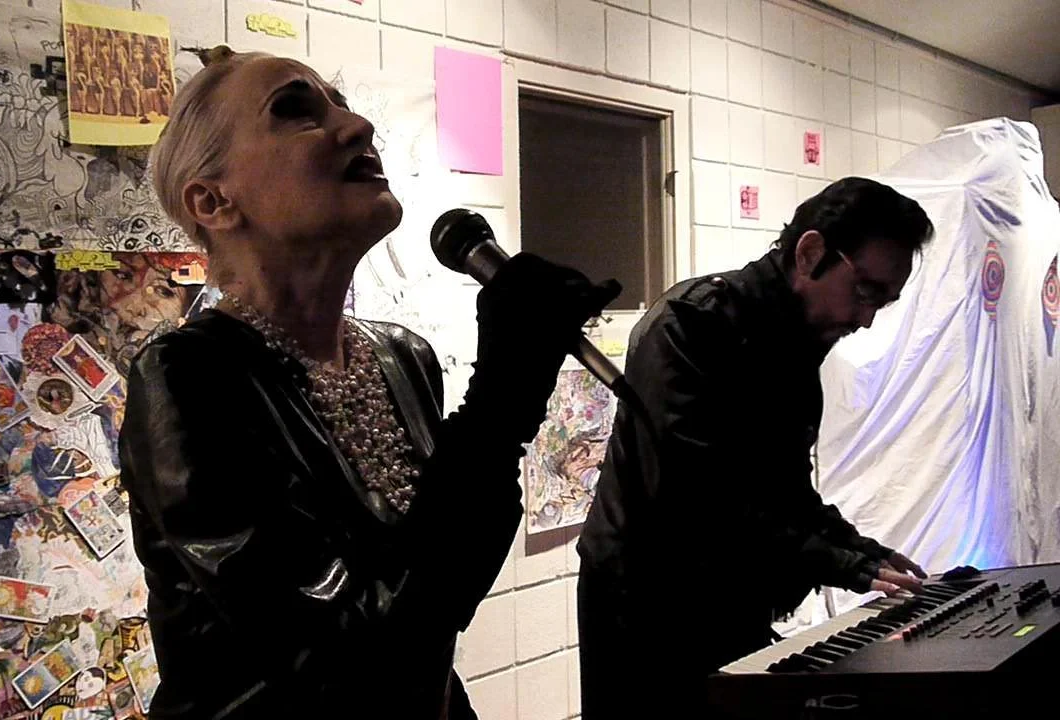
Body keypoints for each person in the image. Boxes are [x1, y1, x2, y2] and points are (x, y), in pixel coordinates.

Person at [118, 45, 621, 719]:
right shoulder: (189, 376)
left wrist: (507, 405)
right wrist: (500, 403)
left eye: (344, 105)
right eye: (294, 110)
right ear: (213, 201)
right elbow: (346, 653)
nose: (357, 127)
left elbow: (448, 586)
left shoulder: (401, 356)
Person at [576, 177, 935, 717]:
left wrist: (865, 553)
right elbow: (697, 499)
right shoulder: (691, 324)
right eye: (865, 291)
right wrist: (844, 564)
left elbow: (784, 492)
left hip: (725, 595)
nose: (865, 319)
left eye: (883, 303)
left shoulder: (798, 343)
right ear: (810, 253)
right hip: (646, 605)